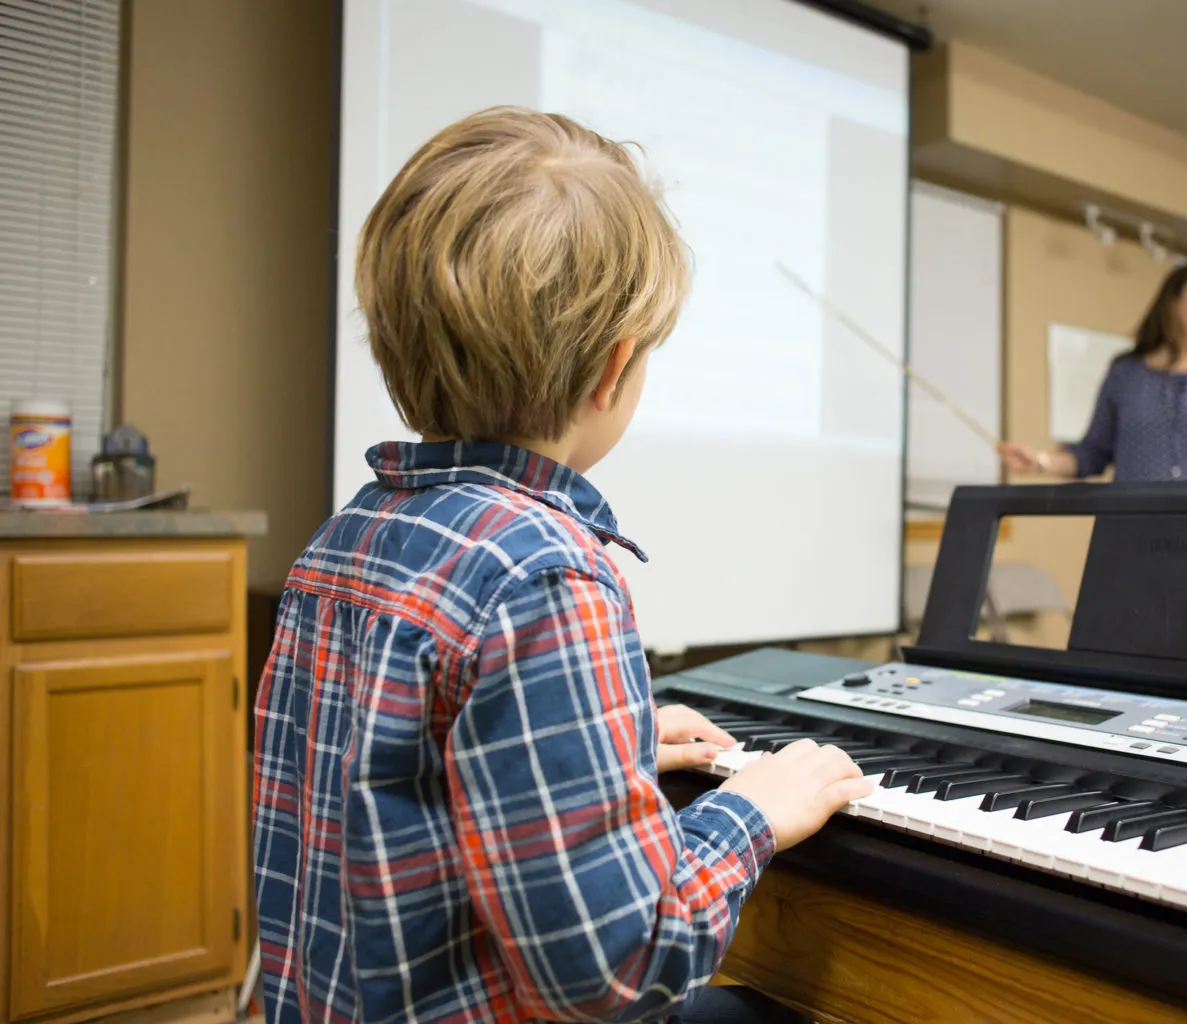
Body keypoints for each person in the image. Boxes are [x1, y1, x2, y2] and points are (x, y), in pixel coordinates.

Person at [251, 107, 870, 1024]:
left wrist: (599, 742)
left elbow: (398, 773)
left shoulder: (347, 535)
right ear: (615, 368)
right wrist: (751, 812)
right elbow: (618, 969)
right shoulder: (546, 574)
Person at [997, 262, 1187, 605]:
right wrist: (1040, 461)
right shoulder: (1126, 374)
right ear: (1173, 301)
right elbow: (1093, 452)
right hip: (1131, 547)